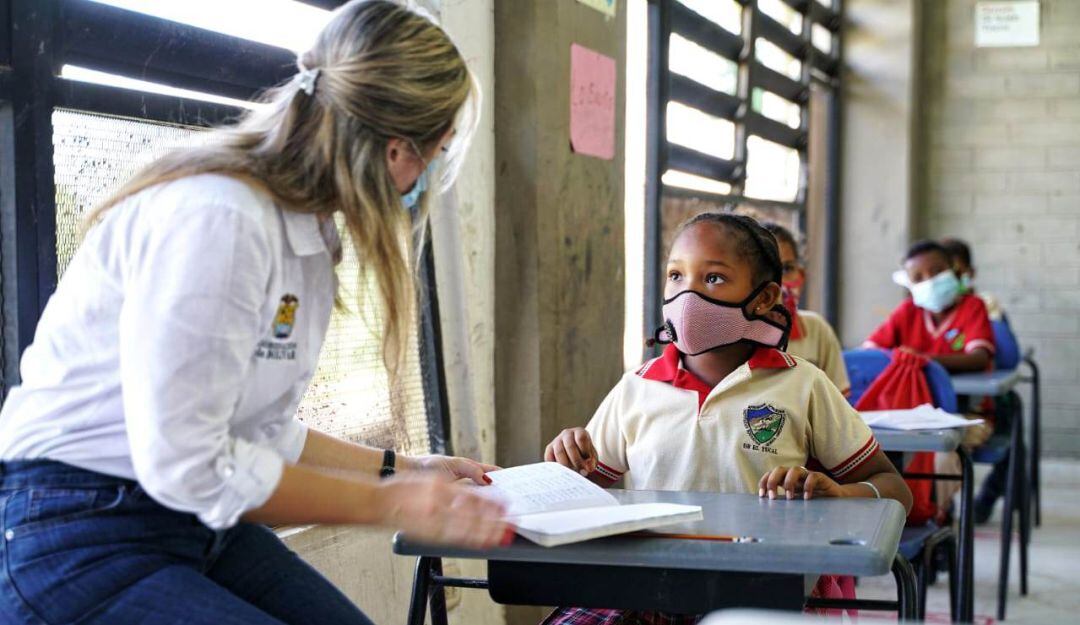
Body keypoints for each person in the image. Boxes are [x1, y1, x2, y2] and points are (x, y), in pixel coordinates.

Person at [0, 2, 510, 624]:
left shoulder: (305, 233)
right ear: (397, 150)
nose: (430, 176)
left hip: (196, 525)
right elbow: (189, 463)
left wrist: (406, 469)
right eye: (439, 151)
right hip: (77, 529)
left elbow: (258, 430)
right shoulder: (221, 216)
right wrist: (394, 504)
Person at [541, 213, 912, 625]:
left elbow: (895, 487)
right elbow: (584, 490)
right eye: (676, 276)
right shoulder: (637, 387)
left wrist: (841, 496)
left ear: (765, 298)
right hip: (649, 584)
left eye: (713, 278)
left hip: (762, 585)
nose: (687, 295)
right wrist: (568, 462)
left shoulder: (802, 384)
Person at [864, 240, 995, 372]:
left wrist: (920, 360)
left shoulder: (972, 306)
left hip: (965, 392)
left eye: (937, 271)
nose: (929, 281)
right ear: (910, 285)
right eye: (918, 278)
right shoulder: (907, 310)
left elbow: (979, 358)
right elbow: (869, 352)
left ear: (954, 272)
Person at [761, 222, 850, 395]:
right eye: (766, 270)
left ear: (801, 275)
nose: (780, 283)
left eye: (787, 269)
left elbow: (838, 403)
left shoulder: (816, 329)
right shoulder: (734, 339)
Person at [941, 237, 1002, 321]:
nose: (951, 280)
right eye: (944, 276)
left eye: (957, 273)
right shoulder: (932, 311)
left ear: (971, 272)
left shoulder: (986, 303)